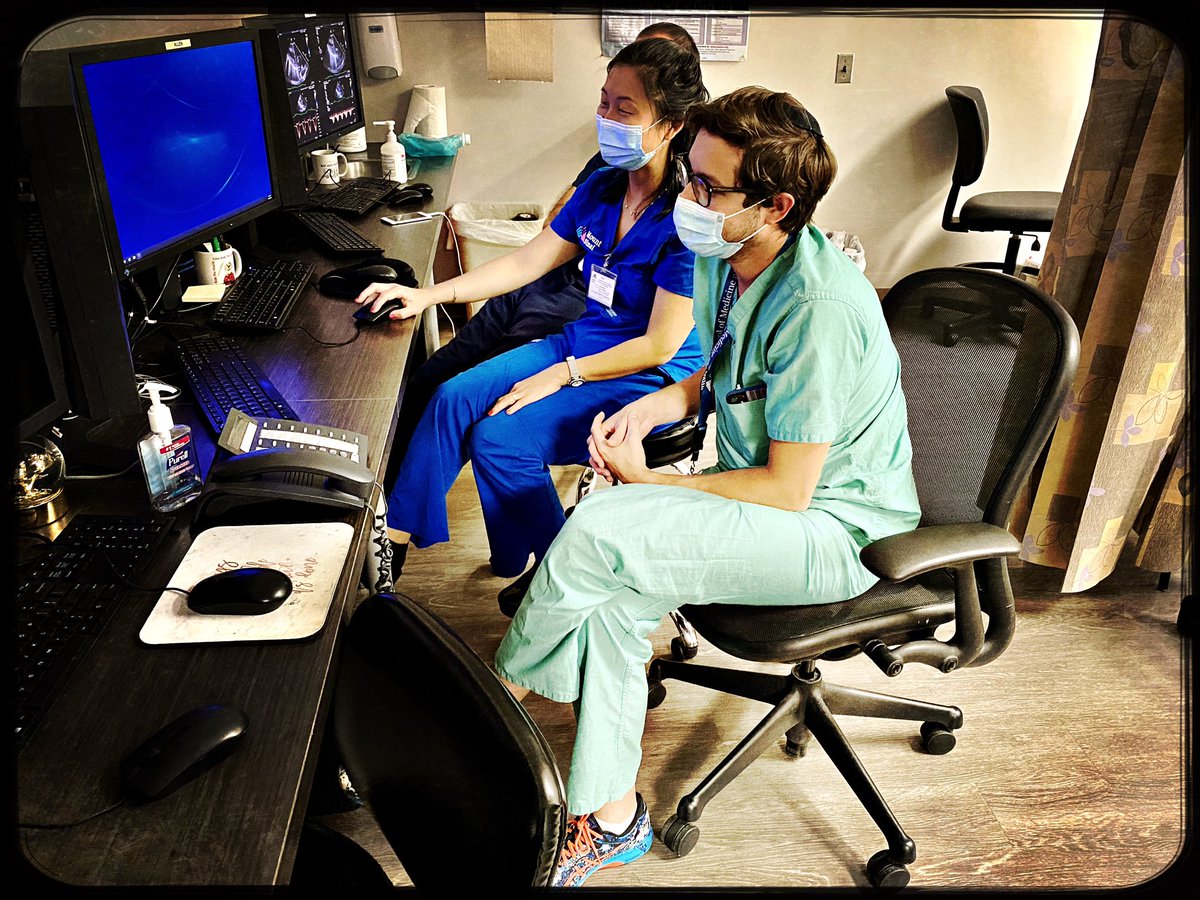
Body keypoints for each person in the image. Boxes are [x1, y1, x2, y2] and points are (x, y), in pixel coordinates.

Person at [491, 86, 922, 887]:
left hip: (837, 529)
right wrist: (647, 407)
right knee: (615, 596)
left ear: (776, 205)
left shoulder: (819, 305)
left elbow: (791, 489)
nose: (686, 197)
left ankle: (494, 703)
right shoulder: (728, 253)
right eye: (689, 175)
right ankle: (613, 817)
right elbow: (720, 377)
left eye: (707, 188)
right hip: (768, 493)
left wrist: (656, 482)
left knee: (600, 529)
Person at [356, 37, 709, 594]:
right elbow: (528, 260)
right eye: (603, 101)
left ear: (670, 126)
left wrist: (560, 374)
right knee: (451, 396)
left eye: (625, 109)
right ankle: (392, 545)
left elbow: (661, 346)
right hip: (583, 340)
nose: (606, 118)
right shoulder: (601, 186)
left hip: (644, 371)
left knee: (498, 437)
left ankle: (562, 583)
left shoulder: (686, 220)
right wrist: (429, 295)